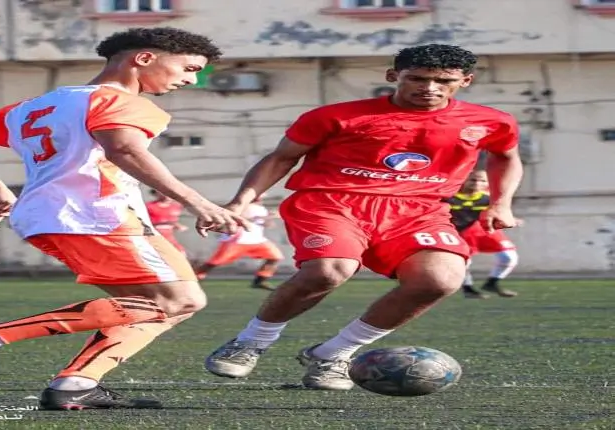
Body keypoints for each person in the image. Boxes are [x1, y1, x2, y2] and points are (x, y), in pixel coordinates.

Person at [0, 27, 248, 410]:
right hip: (99, 216)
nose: (191, 80)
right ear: (144, 58)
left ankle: (76, 384)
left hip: (47, 216)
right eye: (189, 69)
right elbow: (125, 150)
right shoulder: (122, 101)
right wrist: (198, 202)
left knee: (156, 306)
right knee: (182, 300)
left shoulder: (35, 106)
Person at [203, 44, 524, 391]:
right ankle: (251, 342)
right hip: (331, 201)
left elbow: (506, 157)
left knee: (440, 280)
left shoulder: (491, 121)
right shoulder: (336, 116)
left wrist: (501, 203)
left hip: (420, 210)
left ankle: (332, 354)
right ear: (393, 76)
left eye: (443, 81)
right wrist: (241, 201)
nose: (429, 88)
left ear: (465, 81)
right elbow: (282, 157)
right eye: (417, 78)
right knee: (328, 271)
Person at [447, 169, 521, 298]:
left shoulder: (488, 198)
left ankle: (492, 283)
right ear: (464, 180)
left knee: (509, 256)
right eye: (473, 180)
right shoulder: (449, 197)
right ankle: (468, 288)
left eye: (483, 181)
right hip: (459, 234)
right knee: (464, 263)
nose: (477, 183)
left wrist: (510, 219)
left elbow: (498, 212)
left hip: (484, 231)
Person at [194, 193, 284, 291]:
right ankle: (195, 277)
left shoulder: (261, 209)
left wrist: (270, 217)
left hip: (257, 239)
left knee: (275, 257)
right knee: (214, 262)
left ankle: (259, 281)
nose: (260, 199)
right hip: (237, 240)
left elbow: (268, 225)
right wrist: (262, 218)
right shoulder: (241, 206)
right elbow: (237, 218)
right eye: (258, 196)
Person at [146, 189, 189, 255]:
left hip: (170, 236)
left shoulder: (176, 206)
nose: (167, 195)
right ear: (157, 193)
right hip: (154, 236)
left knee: (181, 253)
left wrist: (176, 225)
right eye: (163, 193)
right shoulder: (149, 206)